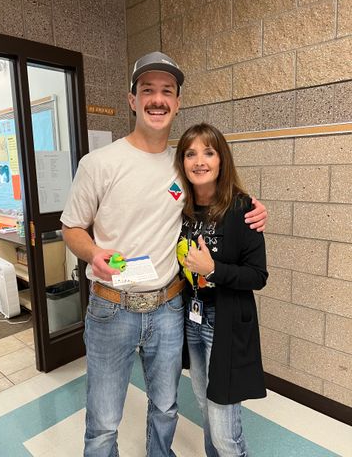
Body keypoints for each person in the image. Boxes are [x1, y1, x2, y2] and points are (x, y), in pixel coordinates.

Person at [60, 52, 267, 457]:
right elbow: (71, 227)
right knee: (103, 423)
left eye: (166, 91)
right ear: (132, 99)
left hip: (169, 308)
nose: (157, 99)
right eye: (147, 90)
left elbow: (215, 199)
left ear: (177, 102)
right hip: (110, 307)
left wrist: (254, 209)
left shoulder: (182, 166)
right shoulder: (98, 163)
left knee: (167, 408)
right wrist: (93, 253)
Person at [175, 123, 268, 457]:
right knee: (203, 405)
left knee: (224, 423)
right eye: (191, 153)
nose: (200, 161)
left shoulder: (242, 208)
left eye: (209, 152)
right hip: (191, 319)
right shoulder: (179, 206)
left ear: (221, 159)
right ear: (182, 161)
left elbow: (258, 275)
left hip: (224, 322)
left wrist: (213, 269)